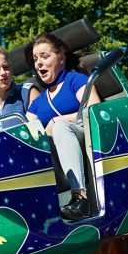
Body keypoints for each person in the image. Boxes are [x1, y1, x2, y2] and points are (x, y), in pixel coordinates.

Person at [25, 33, 101, 221]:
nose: (39, 63)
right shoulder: (38, 102)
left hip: (85, 138)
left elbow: (94, 111)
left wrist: (58, 122)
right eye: (35, 59)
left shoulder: (75, 80)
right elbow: (27, 132)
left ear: (61, 58)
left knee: (60, 128)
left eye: (44, 56)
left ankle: (80, 199)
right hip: (54, 154)